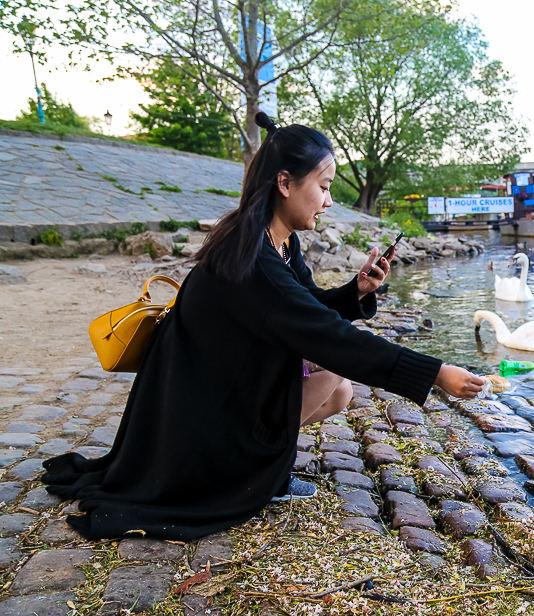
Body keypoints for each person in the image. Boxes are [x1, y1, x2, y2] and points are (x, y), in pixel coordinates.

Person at [41, 112, 484, 541]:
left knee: (340, 390)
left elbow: (306, 308)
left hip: (213, 389)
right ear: (285, 183)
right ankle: (248, 476)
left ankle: (254, 466)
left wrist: (357, 291)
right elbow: (323, 333)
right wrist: (435, 373)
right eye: (324, 187)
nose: (329, 201)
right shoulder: (252, 258)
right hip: (198, 410)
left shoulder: (278, 240)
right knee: (330, 370)